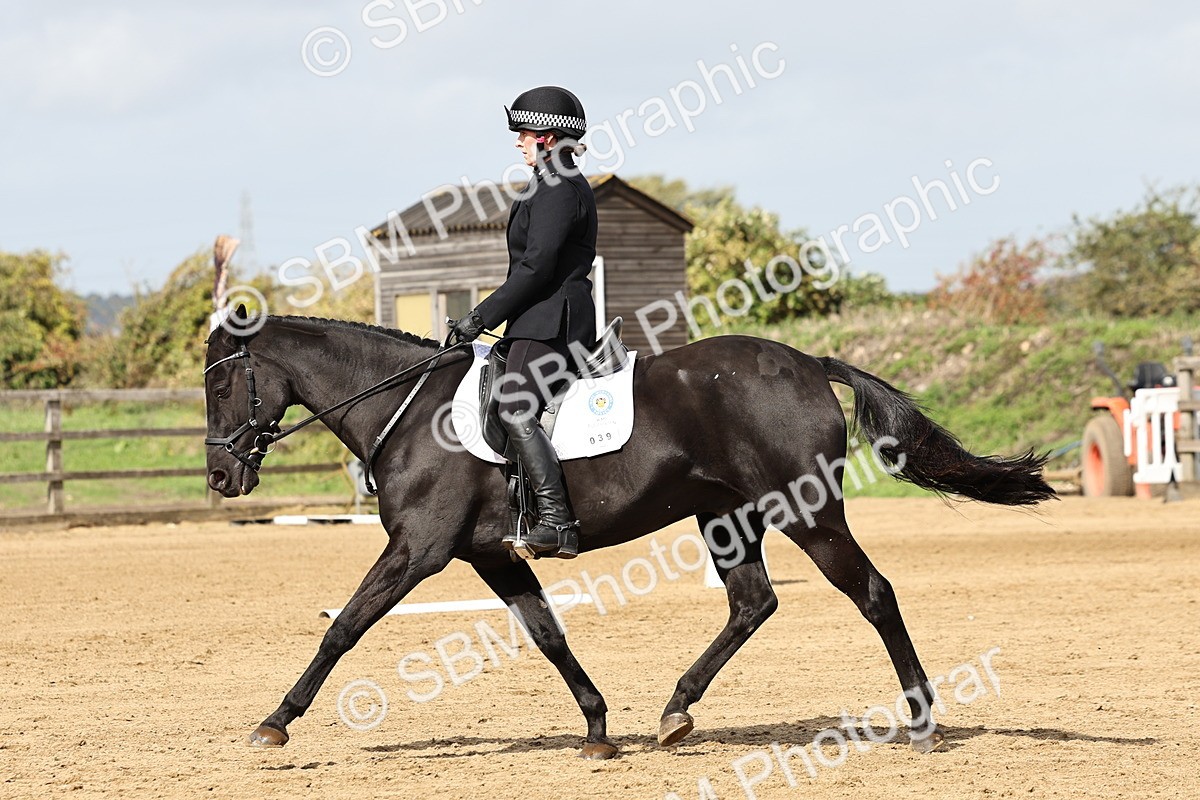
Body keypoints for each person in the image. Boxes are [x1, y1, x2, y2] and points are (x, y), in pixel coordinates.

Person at [449, 86, 598, 559]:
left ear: (548, 136)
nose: (518, 141)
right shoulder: (551, 181)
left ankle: (558, 522)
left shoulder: (557, 186)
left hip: (554, 323)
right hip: (537, 320)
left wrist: (480, 317)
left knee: (513, 405)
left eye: (524, 132)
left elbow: (535, 268)